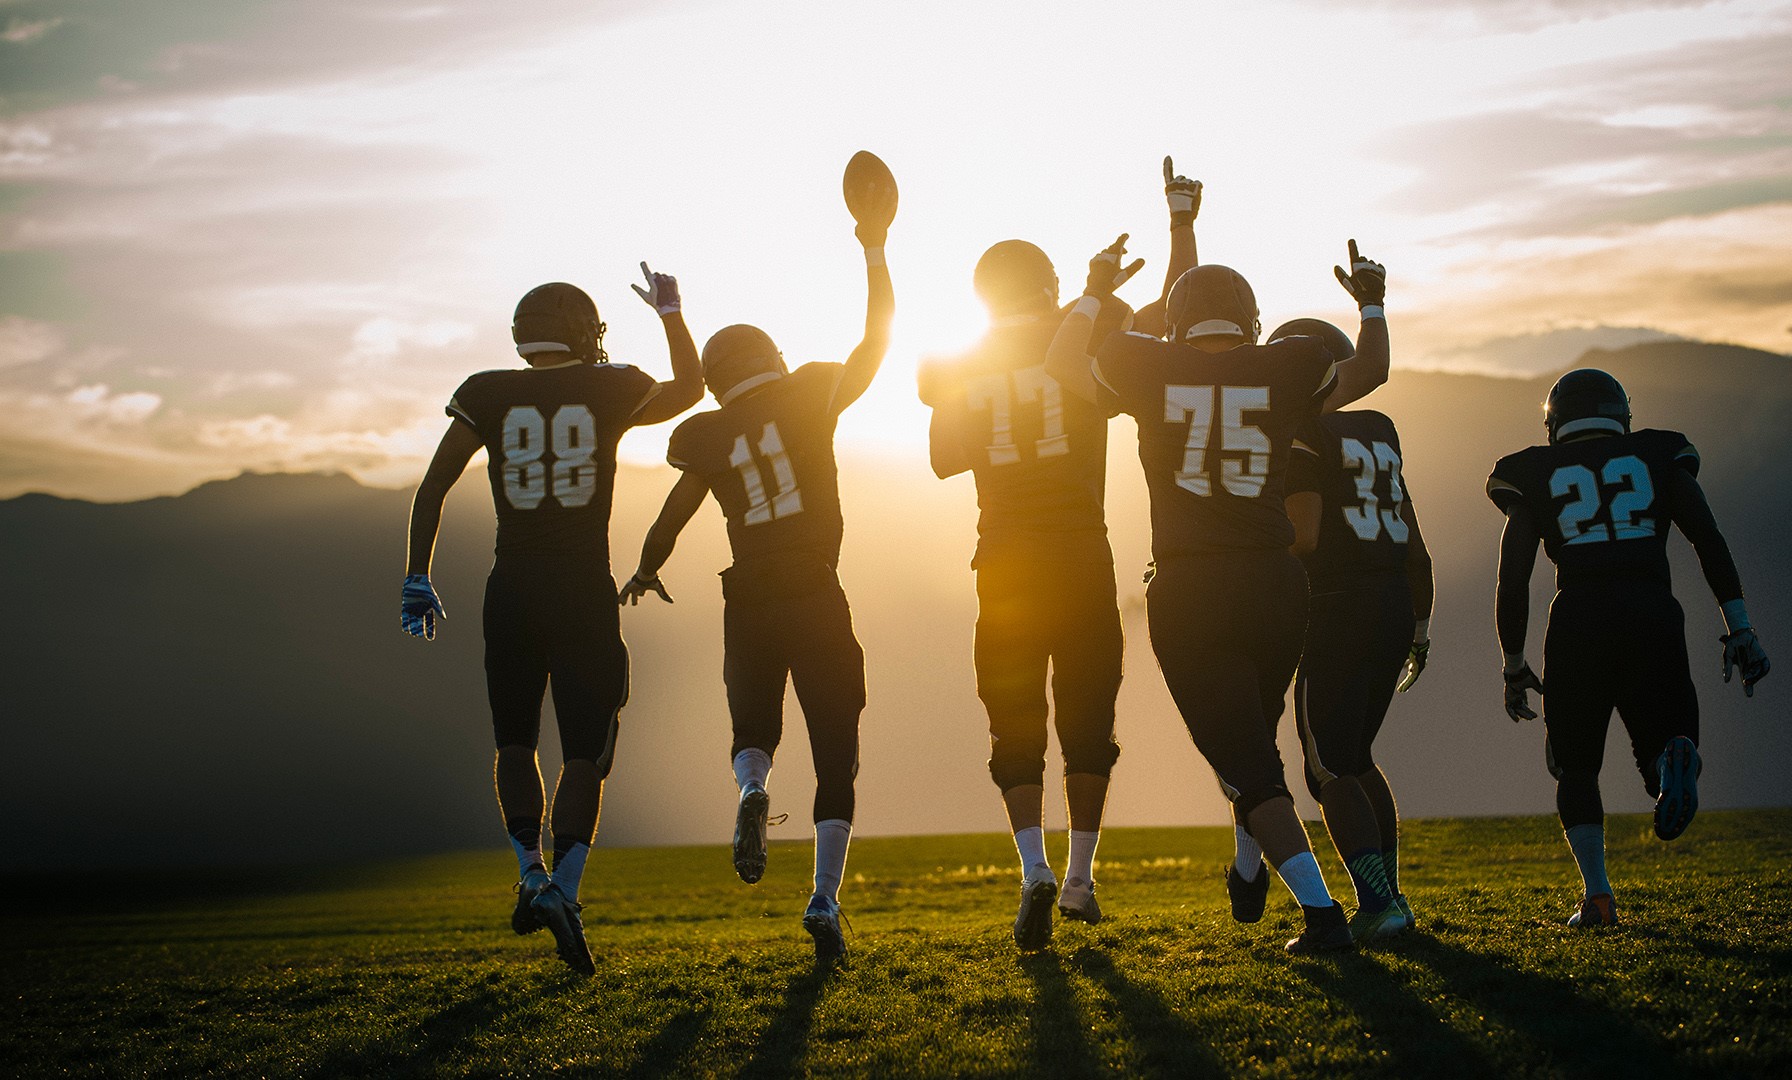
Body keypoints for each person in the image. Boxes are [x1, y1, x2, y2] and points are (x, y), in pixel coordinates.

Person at [1046, 240, 1392, 953]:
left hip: (1193, 583)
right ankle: (1247, 865)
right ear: (1251, 318)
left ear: (1177, 323)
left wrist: (1092, 290)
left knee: (1246, 763)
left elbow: (1058, 364)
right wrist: (1371, 304)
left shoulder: (1146, 362)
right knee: (1252, 745)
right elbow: (1373, 369)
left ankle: (1322, 914)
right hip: (1275, 583)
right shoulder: (1286, 364)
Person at [915, 158, 1201, 950]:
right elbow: (1171, 316)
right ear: (1046, 284)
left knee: (1013, 727)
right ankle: (1079, 877)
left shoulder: (961, 360)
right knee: (1088, 720)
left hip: (1002, 560)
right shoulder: (1086, 333)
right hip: (1081, 554)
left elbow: (942, 457)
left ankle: (1032, 869)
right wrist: (1180, 223)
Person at [401, 268, 703, 975]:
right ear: (580, 331)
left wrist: (418, 572)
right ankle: (563, 889)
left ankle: (530, 872)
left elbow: (434, 484)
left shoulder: (487, 392)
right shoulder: (611, 385)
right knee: (586, 753)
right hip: (579, 590)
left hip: (510, 589)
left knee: (513, 742)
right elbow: (690, 390)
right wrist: (671, 312)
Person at [621, 216, 892, 966]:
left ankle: (750, 791)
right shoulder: (809, 393)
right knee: (837, 753)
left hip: (748, 594)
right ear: (772, 357)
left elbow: (672, 516)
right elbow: (876, 342)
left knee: (753, 731)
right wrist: (875, 251)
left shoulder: (708, 435)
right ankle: (823, 899)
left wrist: (646, 569)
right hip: (813, 584)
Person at [1487, 368, 1770, 928]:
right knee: (1659, 749)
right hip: (1652, 611)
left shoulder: (1532, 473)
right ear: (1621, 415)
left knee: (1575, 767)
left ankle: (1598, 896)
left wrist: (1514, 666)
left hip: (1578, 618)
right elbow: (1706, 538)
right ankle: (1671, 758)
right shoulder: (1660, 455)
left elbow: (1512, 577)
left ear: (1554, 423)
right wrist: (1739, 627)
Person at [1238, 317, 1432, 943]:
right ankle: (1391, 896)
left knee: (1326, 770)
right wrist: (1420, 626)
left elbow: (1307, 533)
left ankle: (1379, 902)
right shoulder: (1378, 429)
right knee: (1355, 757)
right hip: (1392, 602)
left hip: (1338, 607)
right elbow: (1414, 544)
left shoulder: (1298, 432)